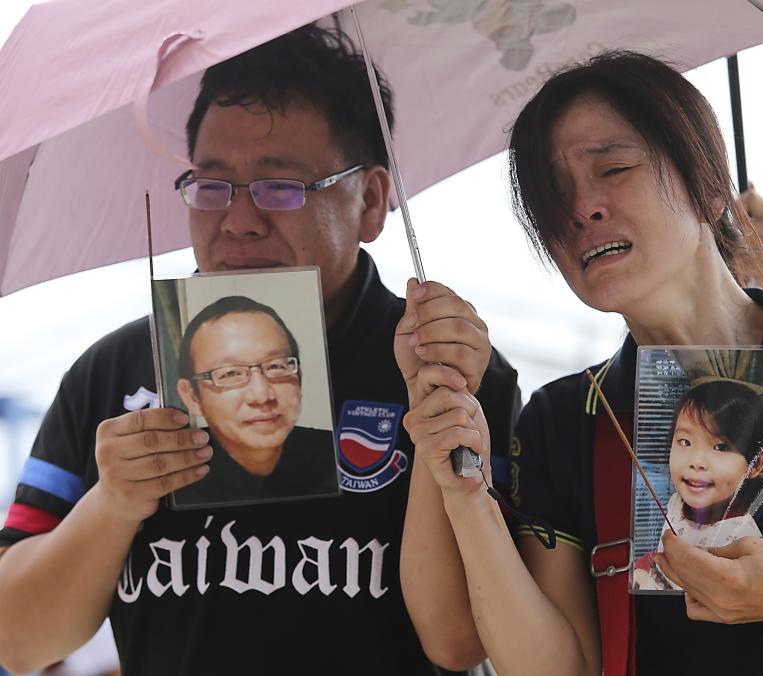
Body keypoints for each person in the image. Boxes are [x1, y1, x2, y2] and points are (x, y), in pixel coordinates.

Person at [400, 50, 763, 676]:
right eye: (554, 197)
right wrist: (466, 490)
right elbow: (557, 668)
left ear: (709, 182)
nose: (582, 209)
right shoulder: (563, 420)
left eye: (612, 168)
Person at [0, 26, 518, 675]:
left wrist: (438, 416)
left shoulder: (449, 369)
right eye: (211, 187)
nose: (239, 220)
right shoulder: (115, 372)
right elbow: (17, 643)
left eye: (281, 188)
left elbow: (464, 643)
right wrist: (113, 504)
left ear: (373, 200)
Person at [171, 295, 339, 507]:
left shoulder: (336, 454)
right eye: (230, 373)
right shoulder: (174, 477)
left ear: (299, 377)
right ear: (192, 397)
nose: (261, 396)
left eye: (276, 366)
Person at [633, 379, 763, 592]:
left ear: (756, 463)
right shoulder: (676, 502)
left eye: (720, 447)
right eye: (685, 442)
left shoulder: (744, 542)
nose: (697, 461)